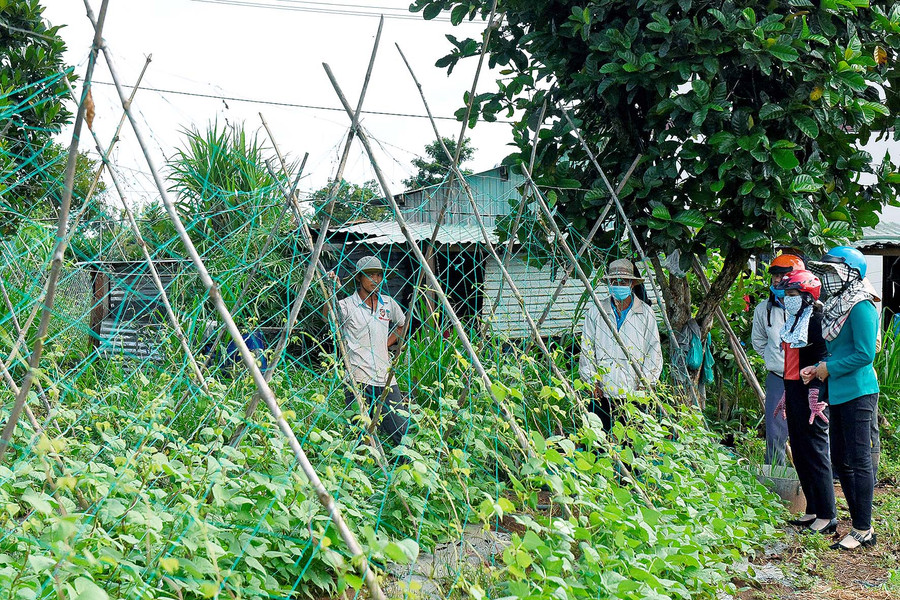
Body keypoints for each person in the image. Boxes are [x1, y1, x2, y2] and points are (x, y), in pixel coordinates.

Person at [807, 246, 879, 551]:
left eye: (834, 272)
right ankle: (857, 524)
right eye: (826, 272)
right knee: (841, 459)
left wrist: (827, 368)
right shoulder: (838, 305)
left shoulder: (861, 306)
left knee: (860, 460)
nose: (829, 278)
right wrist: (820, 370)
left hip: (860, 392)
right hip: (839, 391)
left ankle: (864, 528)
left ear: (852, 274)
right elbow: (837, 351)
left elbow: (864, 353)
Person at [774, 270, 837, 534]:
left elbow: (823, 358)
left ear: (807, 296)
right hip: (795, 389)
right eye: (786, 294)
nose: (788, 299)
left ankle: (827, 515)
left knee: (816, 450)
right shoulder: (794, 321)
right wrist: (787, 392)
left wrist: (816, 393)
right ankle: (812, 508)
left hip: (813, 395)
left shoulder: (816, 321)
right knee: (799, 450)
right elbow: (792, 363)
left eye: (792, 294)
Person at [328, 255, 409, 446]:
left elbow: (402, 325)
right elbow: (329, 318)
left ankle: (403, 470)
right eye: (370, 275)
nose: (375, 280)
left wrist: (385, 344)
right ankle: (363, 473)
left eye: (379, 275)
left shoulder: (387, 304)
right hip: (358, 379)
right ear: (358, 277)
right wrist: (331, 292)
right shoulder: (346, 305)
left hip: (385, 378)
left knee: (401, 430)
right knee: (361, 436)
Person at [579, 258, 663, 431]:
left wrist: (645, 383)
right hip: (601, 393)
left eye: (623, 281)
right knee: (599, 445)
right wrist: (591, 381)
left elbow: (653, 351)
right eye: (614, 281)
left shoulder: (645, 314)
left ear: (632, 283)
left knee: (631, 446)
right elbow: (587, 349)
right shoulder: (596, 312)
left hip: (634, 392)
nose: (618, 285)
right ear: (609, 283)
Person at [751, 253, 804, 465]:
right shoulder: (764, 309)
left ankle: (808, 480)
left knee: (806, 431)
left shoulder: (810, 308)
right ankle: (774, 481)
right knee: (775, 434)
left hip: (805, 378)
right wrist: (776, 358)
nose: (776, 279)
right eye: (774, 275)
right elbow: (758, 341)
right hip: (777, 378)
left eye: (782, 274)